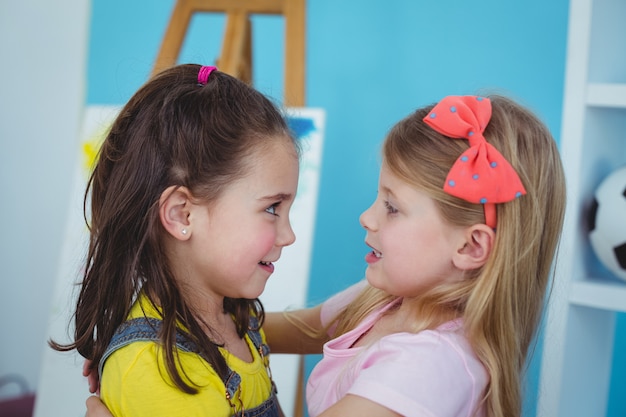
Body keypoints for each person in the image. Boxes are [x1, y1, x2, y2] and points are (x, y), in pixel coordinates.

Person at [85, 94, 566, 417]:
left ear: (470, 246)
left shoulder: (429, 367)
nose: (367, 217)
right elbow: (311, 325)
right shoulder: (390, 301)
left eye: (392, 208)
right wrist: (205, 329)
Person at [51, 63, 301, 417]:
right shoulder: (159, 369)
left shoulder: (230, 318)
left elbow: (321, 325)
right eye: (273, 208)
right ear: (182, 214)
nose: (289, 235)